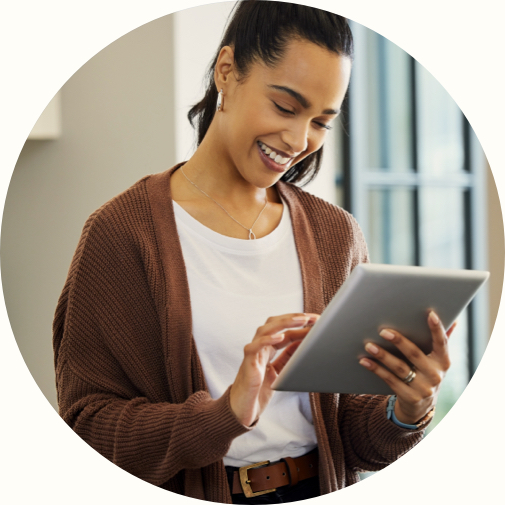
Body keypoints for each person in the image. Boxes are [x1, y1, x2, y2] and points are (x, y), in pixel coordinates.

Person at [53, 1, 456, 503]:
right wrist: (226, 414)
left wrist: (407, 408)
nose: (298, 139)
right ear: (227, 71)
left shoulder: (336, 235)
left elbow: (352, 437)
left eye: (321, 121)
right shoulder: (121, 235)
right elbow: (87, 428)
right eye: (286, 107)